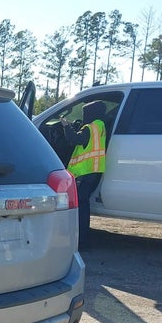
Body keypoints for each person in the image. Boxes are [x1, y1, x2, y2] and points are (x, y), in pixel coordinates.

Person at [60, 100, 106, 246]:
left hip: (84, 171)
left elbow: (73, 139)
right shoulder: (100, 126)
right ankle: (83, 238)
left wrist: (66, 126)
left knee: (81, 206)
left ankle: (81, 240)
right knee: (84, 204)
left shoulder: (89, 128)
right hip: (95, 169)